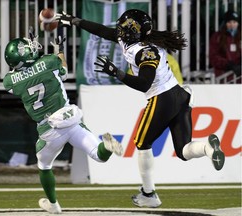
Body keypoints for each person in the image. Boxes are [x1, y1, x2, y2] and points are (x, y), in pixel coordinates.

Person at [55, 9, 225, 208]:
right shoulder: (134, 41)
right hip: (179, 95)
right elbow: (102, 31)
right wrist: (75, 21)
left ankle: (149, 194)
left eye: (124, 26)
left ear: (132, 31)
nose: (119, 29)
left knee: (141, 142)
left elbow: (144, 83)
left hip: (162, 98)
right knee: (183, 151)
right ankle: (207, 147)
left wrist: (117, 73)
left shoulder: (145, 51)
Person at [3, 32, 123, 214]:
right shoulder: (50, 61)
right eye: (26, 48)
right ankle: (106, 146)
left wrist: (31, 61)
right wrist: (59, 51)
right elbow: (64, 71)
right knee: (99, 155)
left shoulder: (9, 81)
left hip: (49, 128)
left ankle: (53, 204)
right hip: (70, 118)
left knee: (44, 165)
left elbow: (20, 76)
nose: (31, 47)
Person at [209, 10, 241, 83]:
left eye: (234, 22)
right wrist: (228, 65)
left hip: (240, 79)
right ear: (225, 23)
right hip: (224, 78)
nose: (232, 25)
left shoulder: (240, 37)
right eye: (229, 22)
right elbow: (213, 57)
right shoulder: (217, 37)